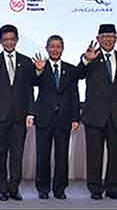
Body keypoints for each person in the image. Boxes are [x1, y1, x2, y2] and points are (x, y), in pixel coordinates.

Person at [78, 24, 117, 200]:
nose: (109, 39)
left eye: (112, 36)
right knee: (94, 154)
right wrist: (86, 60)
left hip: (116, 115)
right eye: (105, 36)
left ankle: (113, 188)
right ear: (98, 38)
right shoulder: (91, 57)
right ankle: (95, 188)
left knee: (116, 153)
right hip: (94, 115)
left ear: (116, 38)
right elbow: (77, 75)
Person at [0, 24, 36, 202]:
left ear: (17, 40)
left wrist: (31, 113)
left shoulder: (27, 61)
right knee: (0, 153)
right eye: (5, 39)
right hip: (0, 115)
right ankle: (2, 190)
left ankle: (14, 188)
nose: (9, 42)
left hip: (20, 116)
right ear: (0, 41)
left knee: (17, 153)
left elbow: (30, 89)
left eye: (12, 39)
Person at [29, 35, 81, 200]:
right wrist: (38, 70)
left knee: (62, 156)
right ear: (46, 48)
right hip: (44, 118)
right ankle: (43, 188)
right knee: (42, 156)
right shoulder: (40, 67)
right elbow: (32, 84)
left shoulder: (71, 69)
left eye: (58, 46)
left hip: (64, 119)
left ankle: (60, 189)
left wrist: (75, 117)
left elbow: (74, 94)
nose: (55, 49)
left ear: (63, 48)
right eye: (52, 46)